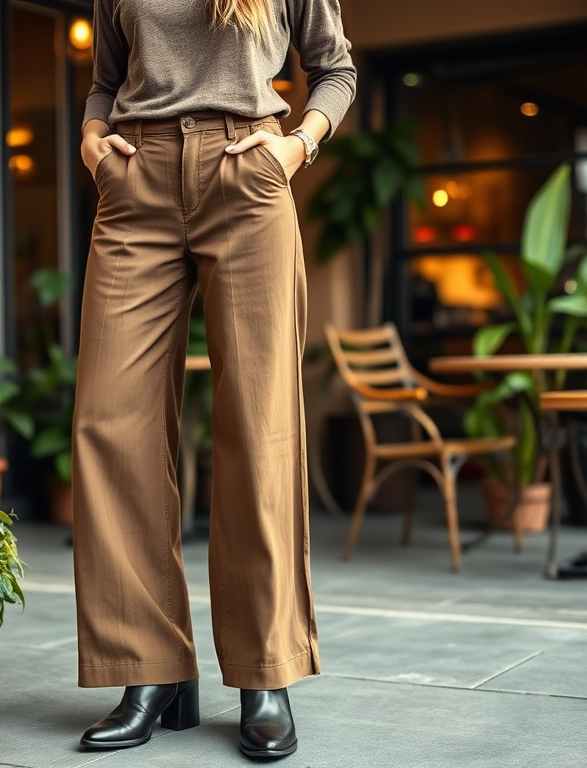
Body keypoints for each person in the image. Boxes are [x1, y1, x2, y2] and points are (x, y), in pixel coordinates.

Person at [72, 0, 356, 760]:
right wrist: (93, 142)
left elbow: (335, 69)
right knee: (111, 423)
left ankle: (264, 672)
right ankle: (147, 668)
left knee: (258, 429)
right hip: (137, 188)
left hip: (249, 176)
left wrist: (298, 147)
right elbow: (106, 79)